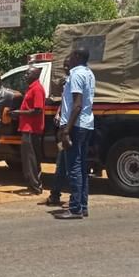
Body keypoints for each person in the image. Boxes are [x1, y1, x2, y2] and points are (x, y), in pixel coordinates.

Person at [56, 49, 96, 220]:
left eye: (71, 56)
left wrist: (66, 130)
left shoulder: (76, 75)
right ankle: (82, 206)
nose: (69, 59)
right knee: (81, 168)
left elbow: (77, 104)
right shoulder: (89, 73)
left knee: (74, 168)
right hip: (87, 125)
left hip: (76, 126)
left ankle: (74, 208)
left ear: (78, 57)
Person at [12, 66, 46, 195]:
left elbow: (37, 110)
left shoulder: (37, 89)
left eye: (28, 73)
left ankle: (35, 187)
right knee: (28, 158)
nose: (25, 75)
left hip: (32, 129)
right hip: (27, 128)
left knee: (31, 159)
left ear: (35, 75)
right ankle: (33, 185)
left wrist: (18, 112)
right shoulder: (31, 88)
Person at [42, 62, 71, 208]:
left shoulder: (71, 83)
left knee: (67, 164)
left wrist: (65, 130)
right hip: (64, 129)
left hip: (68, 131)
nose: (65, 68)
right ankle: (56, 194)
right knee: (63, 164)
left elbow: (73, 107)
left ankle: (70, 199)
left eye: (67, 65)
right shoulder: (69, 85)